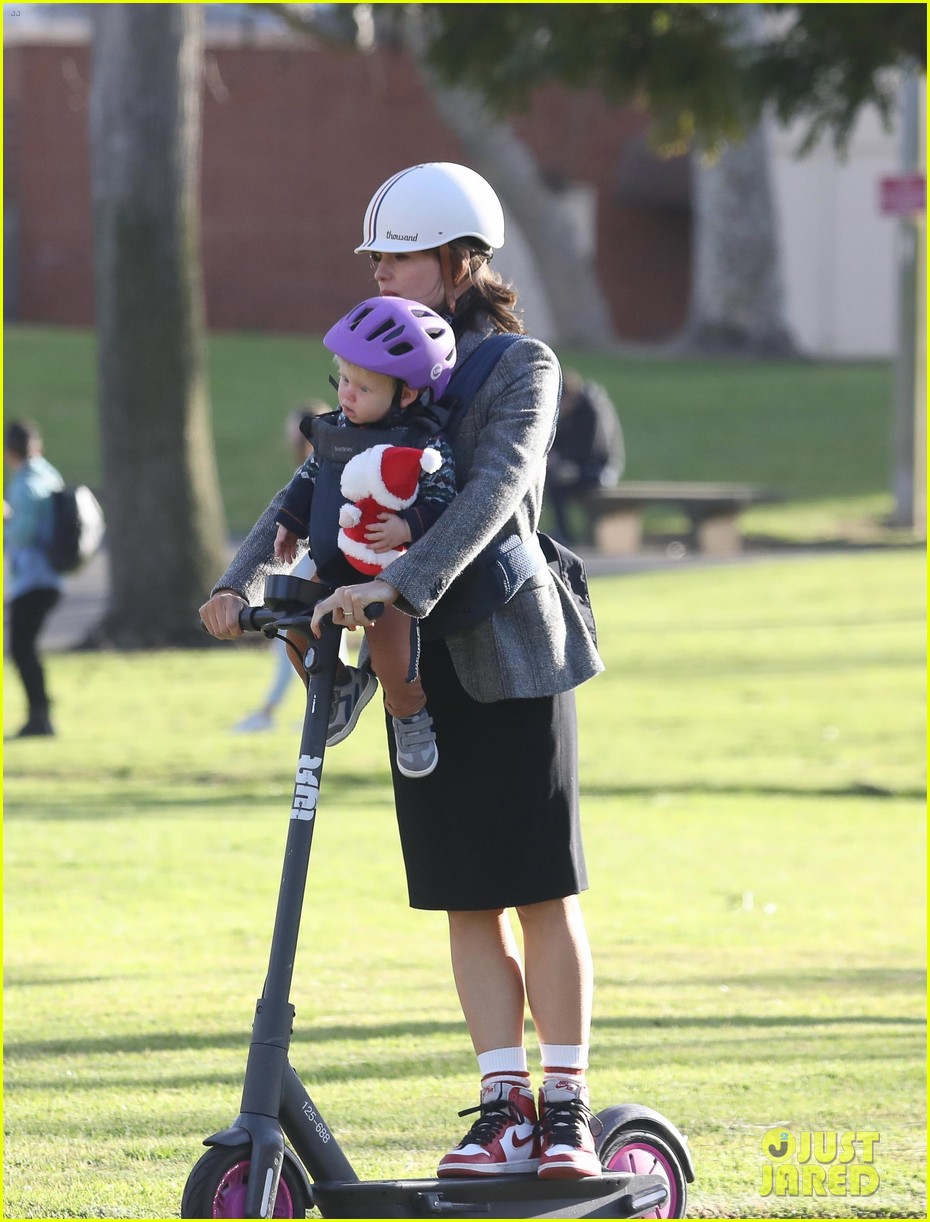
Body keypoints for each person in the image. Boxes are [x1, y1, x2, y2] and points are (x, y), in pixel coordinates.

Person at [200, 162, 605, 1179]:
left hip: (507, 655)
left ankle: (566, 1108)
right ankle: (501, 1105)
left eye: (400, 255)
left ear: (460, 263)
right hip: (415, 670)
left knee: (539, 891)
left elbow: (497, 490)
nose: (381, 269)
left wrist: (401, 584)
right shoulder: (373, 360)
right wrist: (243, 581)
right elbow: (314, 476)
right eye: (376, 255)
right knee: (467, 896)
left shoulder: (519, 365)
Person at [275, 295, 457, 778]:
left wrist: (406, 525)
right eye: (344, 381)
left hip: (386, 567)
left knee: (395, 652)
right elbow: (309, 478)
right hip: (330, 553)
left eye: (363, 388)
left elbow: (444, 501)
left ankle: (408, 712)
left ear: (408, 394)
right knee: (289, 615)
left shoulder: (423, 445)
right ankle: (337, 683)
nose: (347, 396)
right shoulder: (334, 431)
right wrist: (290, 523)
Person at [232, 403, 333, 735]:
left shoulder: (326, 463)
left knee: (294, 638)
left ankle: (277, 710)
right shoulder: (311, 467)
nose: (291, 437)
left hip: (315, 561)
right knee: (310, 639)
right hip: (308, 562)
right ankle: (321, 703)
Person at [3, 420, 65, 737]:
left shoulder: (25, 483)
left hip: (32, 579)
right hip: (51, 577)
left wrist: (5, 518)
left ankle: (40, 718)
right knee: (26, 648)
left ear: (10, 452)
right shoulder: (49, 473)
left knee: (21, 648)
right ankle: (40, 716)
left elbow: (23, 533)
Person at [546, 370, 624, 545]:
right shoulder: (570, 413)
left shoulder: (593, 408)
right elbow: (559, 441)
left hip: (601, 469)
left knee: (559, 482)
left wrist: (565, 461)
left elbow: (595, 447)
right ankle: (563, 532)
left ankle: (567, 534)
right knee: (553, 483)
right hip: (578, 467)